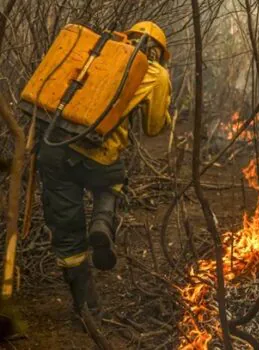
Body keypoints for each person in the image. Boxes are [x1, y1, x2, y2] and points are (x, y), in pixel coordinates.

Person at [35, 21, 172, 323]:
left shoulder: (95, 52)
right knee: (111, 181)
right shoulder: (154, 72)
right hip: (99, 155)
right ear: (160, 53)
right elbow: (153, 127)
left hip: (54, 147)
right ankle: (101, 222)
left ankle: (88, 308)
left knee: (67, 231)